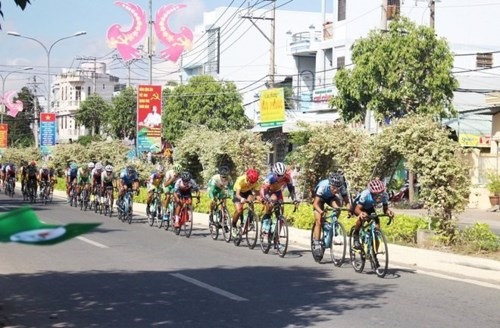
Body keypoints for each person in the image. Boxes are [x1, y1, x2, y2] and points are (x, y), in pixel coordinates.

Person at [311, 172, 351, 261]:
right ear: (330, 184)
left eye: (338, 189)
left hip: (330, 198)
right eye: (333, 188)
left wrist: (349, 210)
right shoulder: (323, 186)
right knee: (318, 220)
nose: (336, 190)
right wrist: (321, 211)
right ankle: (317, 243)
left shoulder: (342, 187)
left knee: (338, 207)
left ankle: (334, 223)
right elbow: (315, 204)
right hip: (319, 199)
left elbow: (347, 201)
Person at [351, 178, 394, 250]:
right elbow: (357, 209)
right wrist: (361, 214)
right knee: (363, 217)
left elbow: (385, 209)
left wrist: (388, 212)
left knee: (376, 221)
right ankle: (356, 235)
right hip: (358, 206)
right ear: (371, 192)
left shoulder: (385, 195)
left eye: (379, 194)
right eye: (374, 195)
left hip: (369, 207)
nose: (377, 196)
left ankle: (374, 253)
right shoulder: (365, 194)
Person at [259, 162, 296, 234]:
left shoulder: (287, 177)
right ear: (275, 173)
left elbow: (291, 189)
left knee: (281, 210)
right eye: (279, 175)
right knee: (273, 200)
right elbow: (264, 190)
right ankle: (266, 220)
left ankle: (276, 236)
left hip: (278, 192)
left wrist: (294, 199)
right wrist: (267, 199)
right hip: (267, 192)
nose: (281, 177)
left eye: (282, 175)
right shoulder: (270, 177)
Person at [231, 168, 261, 237]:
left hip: (247, 192)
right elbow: (237, 195)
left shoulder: (256, 182)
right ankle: (233, 226)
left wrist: (261, 199)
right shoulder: (241, 180)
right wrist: (241, 199)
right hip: (238, 193)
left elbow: (257, 194)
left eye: (253, 183)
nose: (251, 184)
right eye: (250, 182)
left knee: (251, 201)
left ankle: (250, 221)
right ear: (247, 178)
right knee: (239, 210)